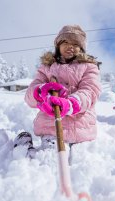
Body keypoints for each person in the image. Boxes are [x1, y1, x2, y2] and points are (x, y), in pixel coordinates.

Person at [16, 25, 101, 157]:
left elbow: (90, 91)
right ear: (58, 45)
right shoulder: (47, 68)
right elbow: (28, 96)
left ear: (81, 48)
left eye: (75, 43)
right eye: (65, 42)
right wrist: (40, 92)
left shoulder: (89, 67)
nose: (70, 46)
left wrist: (72, 104)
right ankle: (24, 149)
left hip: (80, 129)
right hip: (51, 128)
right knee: (46, 161)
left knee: (77, 165)